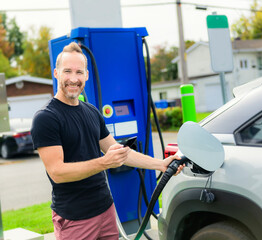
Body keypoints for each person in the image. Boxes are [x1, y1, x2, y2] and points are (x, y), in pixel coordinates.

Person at [31, 42, 184, 240]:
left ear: (87, 75)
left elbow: (120, 152)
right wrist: (105, 162)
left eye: (79, 72)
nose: (74, 78)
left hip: (106, 210)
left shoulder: (91, 112)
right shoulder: (46, 118)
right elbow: (57, 172)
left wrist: (161, 165)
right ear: (56, 73)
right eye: (67, 71)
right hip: (75, 219)